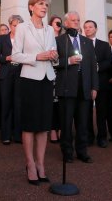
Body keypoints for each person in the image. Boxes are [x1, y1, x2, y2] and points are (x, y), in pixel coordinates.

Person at [11, 0, 57, 185]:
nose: (44, 7)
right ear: (31, 7)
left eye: (46, 4)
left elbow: (55, 57)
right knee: (30, 124)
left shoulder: (49, 30)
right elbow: (15, 56)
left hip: (47, 79)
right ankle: (30, 164)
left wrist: (54, 57)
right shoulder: (22, 27)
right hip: (29, 80)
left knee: (44, 125)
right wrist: (37, 57)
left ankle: (41, 164)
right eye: (40, 4)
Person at [54, 11, 98, 164]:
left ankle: (82, 151)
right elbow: (54, 62)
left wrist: (94, 87)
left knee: (83, 122)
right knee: (66, 123)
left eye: (78, 20)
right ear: (66, 23)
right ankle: (67, 152)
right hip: (66, 86)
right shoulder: (59, 40)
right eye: (73, 20)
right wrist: (68, 60)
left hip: (84, 87)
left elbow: (93, 66)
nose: (76, 22)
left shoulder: (86, 42)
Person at [84, 20, 112, 148]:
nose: (88, 29)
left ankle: (102, 137)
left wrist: (96, 67)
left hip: (102, 83)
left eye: (90, 27)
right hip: (86, 83)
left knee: (102, 112)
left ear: (96, 29)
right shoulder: (81, 43)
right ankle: (89, 137)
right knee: (87, 112)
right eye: (85, 27)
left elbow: (109, 62)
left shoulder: (104, 45)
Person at [0, 16, 23, 145]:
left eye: (19, 25)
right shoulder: (2, 38)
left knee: (18, 104)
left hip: (21, 73)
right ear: (10, 25)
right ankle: (5, 135)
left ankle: (18, 134)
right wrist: (7, 58)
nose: (17, 27)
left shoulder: (25, 39)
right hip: (6, 73)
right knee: (6, 104)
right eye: (15, 25)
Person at [48, 16, 63, 144]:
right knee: (52, 103)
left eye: (60, 22)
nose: (58, 23)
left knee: (61, 102)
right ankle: (52, 129)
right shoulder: (47, 37)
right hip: (50, 73)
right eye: (55, 22)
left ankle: (61, 128)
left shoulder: (64, 38)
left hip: (62, 74)